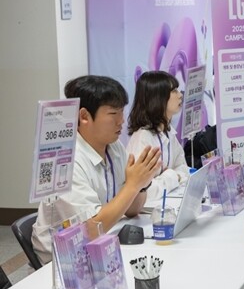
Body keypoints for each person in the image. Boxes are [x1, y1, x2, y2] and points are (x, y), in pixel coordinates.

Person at [32, 76, 161, 263]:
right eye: (113, 113)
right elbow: (90, 231)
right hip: (63, 262)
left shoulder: (113, 147)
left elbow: (132, 210)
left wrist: (141, 184)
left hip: (100, 247)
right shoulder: (65, 162)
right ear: (84, 116)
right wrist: (132, 185)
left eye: (122, 112)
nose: (121, 121)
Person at [126, 71, 189, 202]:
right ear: (157, 98)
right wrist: (172, 176)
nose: (180, 95)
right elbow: (144, 192)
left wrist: (170, 177)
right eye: (174, 91)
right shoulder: (143, 137)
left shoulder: (167, 131)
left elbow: (183, 169)